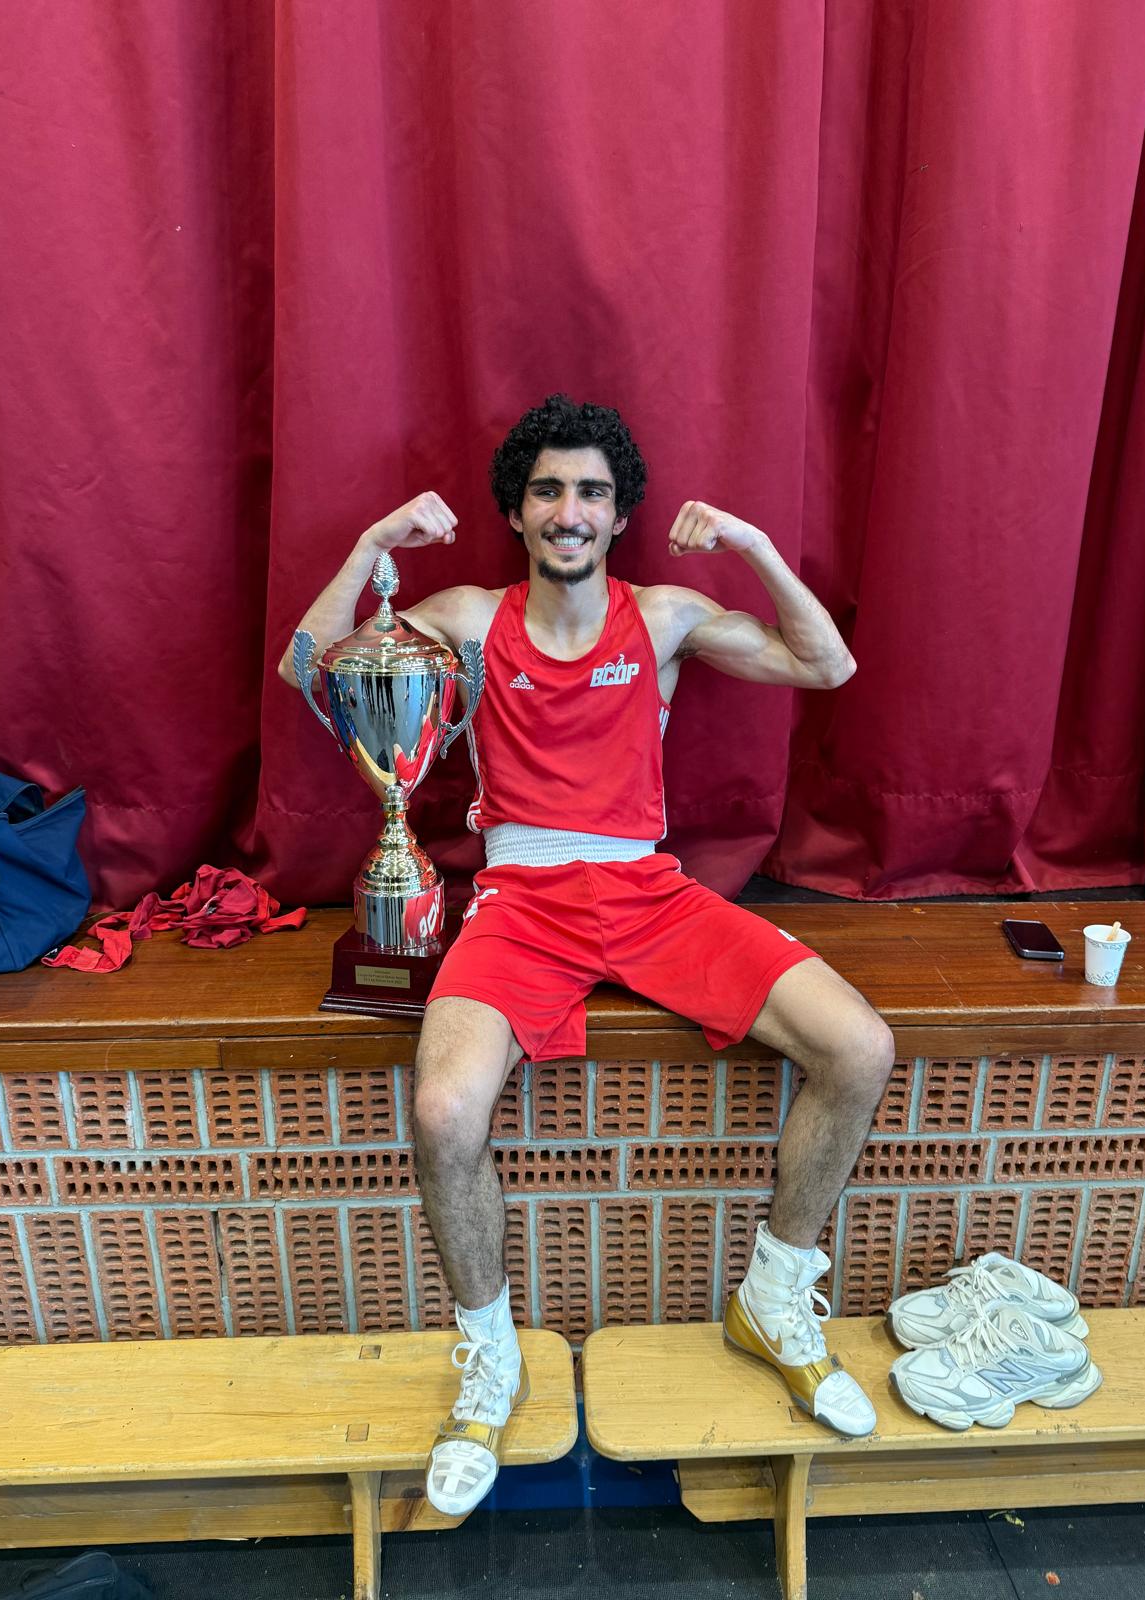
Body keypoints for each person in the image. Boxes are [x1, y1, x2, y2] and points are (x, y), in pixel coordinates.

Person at [278, 394, 896, 1515]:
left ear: (619, 516)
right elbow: (309, 669)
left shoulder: (661, 617)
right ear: (518, 510)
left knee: (859, 1046)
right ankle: (491, 1353)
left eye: (594, 494)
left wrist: (756, 547)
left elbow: (831, 665)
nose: (572, 511)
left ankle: (774, 1293)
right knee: (444, 1112)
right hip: (518, 895)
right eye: (550, 490)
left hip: (648, 889)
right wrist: (371, 546)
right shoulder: (468, 616)